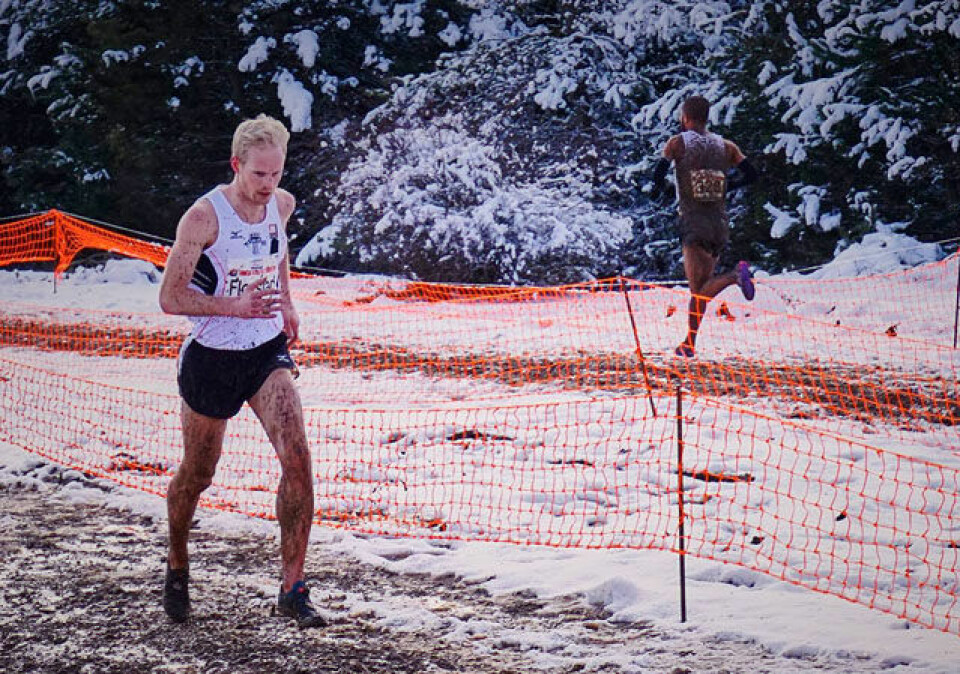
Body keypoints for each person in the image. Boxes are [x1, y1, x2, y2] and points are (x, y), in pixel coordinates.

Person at [158, 114, 323, 628]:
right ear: (236, 165)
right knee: (199, 473)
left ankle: (292, 587)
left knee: (298, 461)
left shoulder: (282, 204)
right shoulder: (203, 218)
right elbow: (170, 298)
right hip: (211, 358)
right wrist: (235, 306)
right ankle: (178, 562)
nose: (268, 184)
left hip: (264, 351)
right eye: (258, 174)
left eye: (276, 173)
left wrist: (286, 302)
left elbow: (277, 252)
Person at [651, 95, 758, 357]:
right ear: (707, 117)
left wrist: (664, 191)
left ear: (685, 117)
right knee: (702, 290)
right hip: (719, 224)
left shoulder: (677, 143)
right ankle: (689, 343)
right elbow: (752, 174)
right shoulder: (726, 146)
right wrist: (727, 187)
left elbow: (658, 174)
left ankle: (734, 276)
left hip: (693, 222)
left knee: (698, 291)